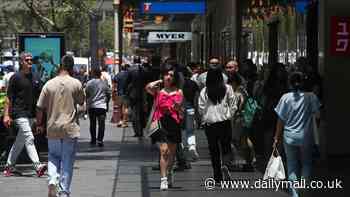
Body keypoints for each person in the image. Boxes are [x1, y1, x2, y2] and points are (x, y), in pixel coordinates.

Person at [36, 55, 85, 197]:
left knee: (53, 156)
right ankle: (63, 191)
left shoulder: (49, 84)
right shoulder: (76, 83)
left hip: (52, 127)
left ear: (60, 66)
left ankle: (52, 179)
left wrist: (39, 124)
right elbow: (82, 102)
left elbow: (39, 107)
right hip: (70, 128)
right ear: (72, 67)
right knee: (67, 160)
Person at [273, 72, 320, 197]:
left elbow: (280, 120)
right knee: (306, 163)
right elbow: (318, 116)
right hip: (306, 137)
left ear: (290, 83)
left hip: (289, 137)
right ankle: (304, 186)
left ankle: (294, 194)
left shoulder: (285, 97)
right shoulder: (311, 96)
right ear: (304, 83)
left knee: (292, 165)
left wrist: (276, 137)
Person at [2, 52, 47, 177]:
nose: (30, 62)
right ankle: (38, 166)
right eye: (27, 60)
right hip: (19, 113)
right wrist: (6, 115)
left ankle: (9, 166)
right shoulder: (15, 77)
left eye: (31, 60)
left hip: (31, 114)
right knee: (29, 137)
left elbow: (41, 96)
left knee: (20, 141)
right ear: (21, 62)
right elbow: (8, 98)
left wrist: (40, 118)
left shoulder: (35, 76)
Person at [145, 63, 184, 190]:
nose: (168, 77)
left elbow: (181, 110)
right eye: (166, 74)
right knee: (164, 151)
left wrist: (178, 108)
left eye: (171, 75)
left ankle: (169, 172)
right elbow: (148, 87)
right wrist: (159, 80)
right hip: (161, 124)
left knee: (172, 154)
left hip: (174, 123)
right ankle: (163, 179)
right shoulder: (158, 91)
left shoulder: (179, 92)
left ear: (175, 78)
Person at [198, 66, 238, 183]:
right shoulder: (228, 88)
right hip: (224, 122)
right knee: (226, 147)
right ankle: (225, 165)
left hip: (210, 124)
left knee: (213, 149)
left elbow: (201, 107)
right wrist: (229, 115)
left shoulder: (205, 91)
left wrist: (205, 117)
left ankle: (217, 175)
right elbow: (233, 104)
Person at [85, 67, 110, 147]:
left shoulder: (89, 83)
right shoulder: (104, 83)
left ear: (94, 74)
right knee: (101, 124)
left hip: (92, 106)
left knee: (92, 123)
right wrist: (107, 102)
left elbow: (87, 94)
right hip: (102, 106)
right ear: (100, 74)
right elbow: (108, 94)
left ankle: (93, 139)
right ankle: (100, 140)